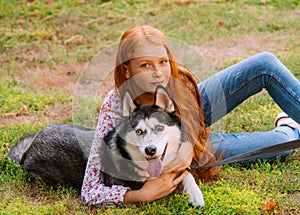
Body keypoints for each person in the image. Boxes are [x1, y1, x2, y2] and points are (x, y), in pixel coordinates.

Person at [81, 25, 300, 208]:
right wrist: (139, 196)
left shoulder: (178, 82)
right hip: (168, 151)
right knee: (284, 143)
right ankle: (288, 126)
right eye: (145, 65)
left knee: (264, 64)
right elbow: (90, 190)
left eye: (162, 62)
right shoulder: (115, 105)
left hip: (188, 115)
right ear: (127, 70)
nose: (158, 72)